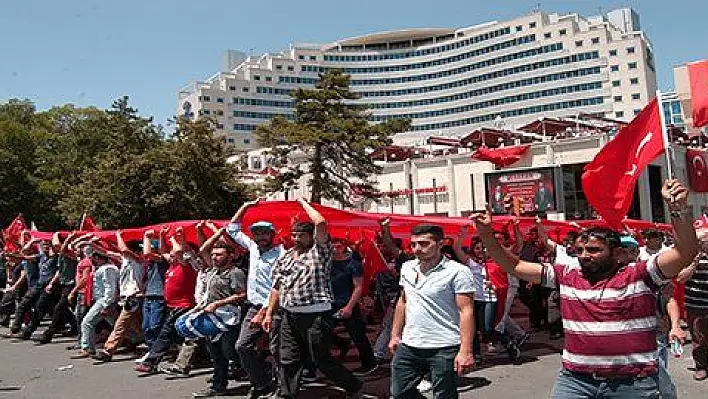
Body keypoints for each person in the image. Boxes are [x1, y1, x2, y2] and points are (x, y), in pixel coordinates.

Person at [470, 179, 699, 397]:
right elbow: (515, 265)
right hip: (576, 382)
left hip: (633, 383)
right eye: (580, 251)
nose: (584, 256)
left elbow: (684, 253)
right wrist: (486, 234)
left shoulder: (640, 274)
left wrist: (680, 210)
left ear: (618, 254)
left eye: (593, 250)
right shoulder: (565, 275)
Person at [263, 198, 363, 399]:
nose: (297, 239)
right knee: (288, 358)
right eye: (294, 235)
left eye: (302, 235)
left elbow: (321, 223)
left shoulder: (320, 253)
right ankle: (286, 394)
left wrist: (303, 204)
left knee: (322, 359)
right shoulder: (285, 258)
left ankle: (353, 386)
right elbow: (276, 288)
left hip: (316, 316)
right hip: (289, 316)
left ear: (311, 237)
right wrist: (268, 313)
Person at [389, 224, 476, 399]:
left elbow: (466, 311)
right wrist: (395, 335)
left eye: (423, 244)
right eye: (413, 244)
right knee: (399, 393)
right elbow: (403, 302)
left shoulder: (458, 272)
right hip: (409, 344)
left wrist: (466, 350)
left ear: (440, 243)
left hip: (443, 346)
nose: (417, 249)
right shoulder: (407, 267)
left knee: (444, 396)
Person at [229, 200, 283, 399]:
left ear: (272, 235)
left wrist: (266, 311)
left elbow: (278, 285)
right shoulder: (252, 247)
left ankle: (282, 388)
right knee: (242, 346)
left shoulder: (281, 253)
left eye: (265, 233)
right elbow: (232, 229)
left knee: (277, 349)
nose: (260, 237)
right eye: (257, 233)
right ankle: (261, 382)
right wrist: (245, 206)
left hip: (275, 307)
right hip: (253, 306)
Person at [191, 228, 247, 398]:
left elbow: (241, 295)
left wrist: (218, 303)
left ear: (230, 256)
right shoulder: (213, 271)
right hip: (212, 317)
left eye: (219, 254)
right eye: (214, 254)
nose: (214, 257)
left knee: (230, 351)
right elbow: (203, 250)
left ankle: (257, 372)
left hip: (229, 317)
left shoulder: (235, 273)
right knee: (215, 353)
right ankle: (218, 385)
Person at [135, 227, 198, 373]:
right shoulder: (173, 265)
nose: (169, 254)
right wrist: (162, 236)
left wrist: (172, 237)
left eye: (173, 252)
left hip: (184, 305)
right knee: (176, 334)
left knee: (168, 333)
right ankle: (178, 360)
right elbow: (163, 252)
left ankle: (151, 363)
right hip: (172, 305)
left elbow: (178, 251)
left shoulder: (186, 265)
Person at [327, 238, 378, 375]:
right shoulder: (325, 263)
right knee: (320, 335)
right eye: (333, 242)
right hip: (329, 305)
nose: (336, 245)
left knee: (358, 336)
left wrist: (349, 307)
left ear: (345, 246)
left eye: (340, 243)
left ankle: (369, 363)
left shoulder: (353, 264)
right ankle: (341, 344)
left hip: (348, 304)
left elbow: (358, 287)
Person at [92, 231, 145, 362]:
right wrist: (91, 243)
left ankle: (108, 350)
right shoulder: (126, 261)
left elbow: (123, 250)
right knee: (140, 325)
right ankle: (156, 343)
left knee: (120, 324)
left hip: (134, 297)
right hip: (128, 298)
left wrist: (118, 235)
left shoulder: (139, 261)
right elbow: (108, 252)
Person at [72, 247, 120, 358]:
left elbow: (110, 288)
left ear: (98, 257)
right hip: (103, 300)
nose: (91, 260)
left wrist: (106, 304)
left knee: (87, 322)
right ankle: (134, 339)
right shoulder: (102, 268)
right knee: (117, 325)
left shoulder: (108, 269)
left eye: (93, 257)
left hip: (104, 300)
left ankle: (87, 348)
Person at [676, 227, 708, 381]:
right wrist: (694, 264)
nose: (704, 242)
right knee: (698, 337)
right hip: (695, 304)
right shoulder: (688, 257)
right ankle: (701, 366)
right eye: (702, 240)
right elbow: (681, 279)